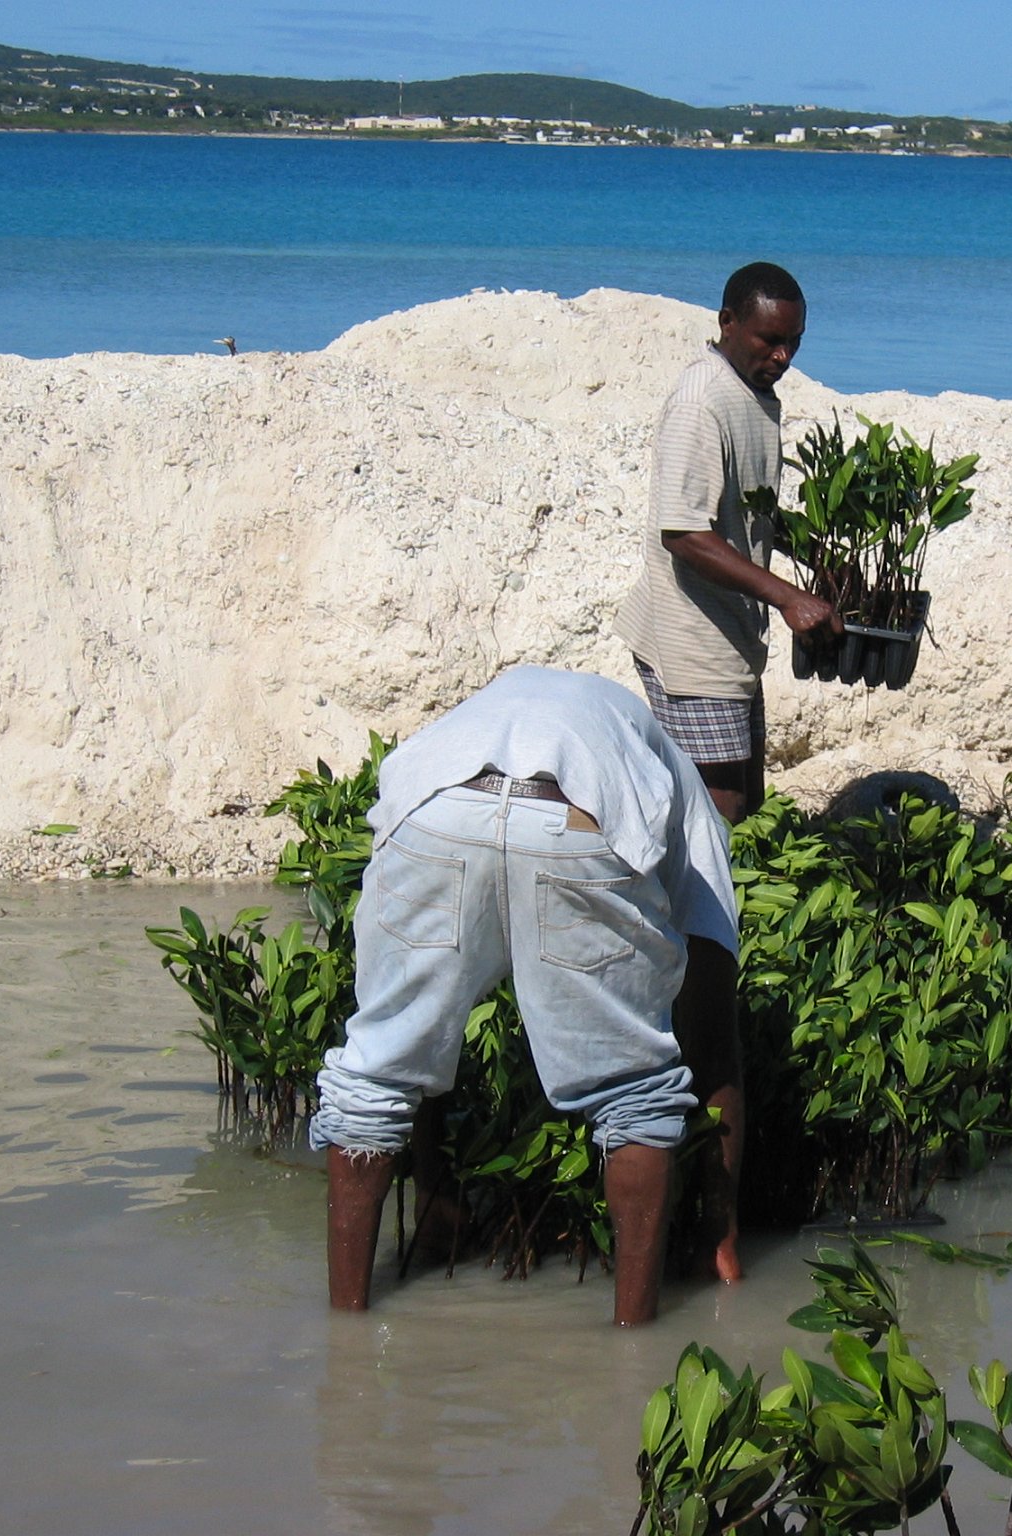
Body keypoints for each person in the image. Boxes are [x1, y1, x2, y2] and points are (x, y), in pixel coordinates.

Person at [308, 666, 739, 1326]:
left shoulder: (510, 705)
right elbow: (711, 1015)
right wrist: (722, 1227)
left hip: (434, 809)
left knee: (381, 1067)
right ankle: (635, 1342)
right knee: (634, 1094)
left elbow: (427, 1018)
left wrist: (435, 1185)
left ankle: (346, 1335)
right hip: (577, 817)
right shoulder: (687, 795)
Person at [612, 264, 840, 1283]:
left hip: (729, 641)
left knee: (730, 807)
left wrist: (807, 572)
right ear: (725, 326)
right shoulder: (700, 400)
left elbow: (746, 518)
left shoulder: (758, 400)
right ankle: (689, 986)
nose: (778, 357)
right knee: (712, 820)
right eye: (763, 343)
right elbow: (682, 531)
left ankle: (691, 955)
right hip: (693, 646)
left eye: (789, 343)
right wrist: (786, 600)